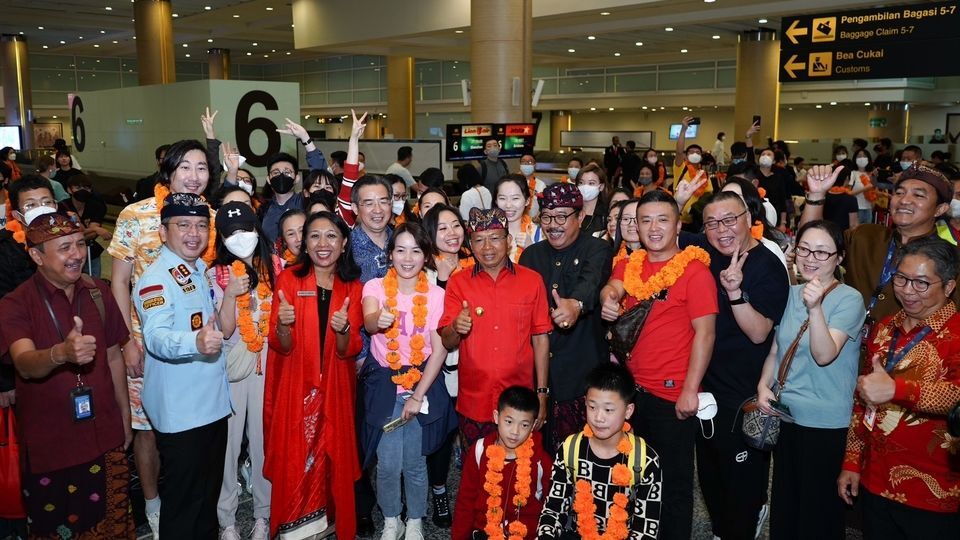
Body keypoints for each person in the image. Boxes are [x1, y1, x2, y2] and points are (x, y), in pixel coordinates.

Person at [0, 213, 135, 538]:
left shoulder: (97, 292)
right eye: (63, 248)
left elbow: (114, 357)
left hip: (105, 436)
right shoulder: (16, 304)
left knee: (114, 525)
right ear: (36, 255)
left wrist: (125, 418)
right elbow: (24, 363)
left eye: (78, 244)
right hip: (52, 448)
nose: (75, 254)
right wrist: (60, 354)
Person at [108, 139, 217, 536]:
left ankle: (191, 504)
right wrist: (126, 342)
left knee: (195, 435)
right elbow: (119, 281)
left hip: (200, 347)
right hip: (146, 343)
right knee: (148, 428)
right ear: (168, 172)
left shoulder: (210, 216)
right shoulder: (136, 216)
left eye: (202, 167)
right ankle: (154, 505)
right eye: (185, 167)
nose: (194, 175)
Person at [675, 179, 790, 540]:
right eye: (712, 223)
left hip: (744, 391)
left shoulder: (768, 265)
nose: (722, 230)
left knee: (740, 476)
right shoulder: (704, 253)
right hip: (706, 384)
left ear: (747, 217)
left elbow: (759, 333)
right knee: (710, 471)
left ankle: (746, 523)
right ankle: (724, 529)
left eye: (729, 220)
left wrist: (735, 292)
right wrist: (677, 201)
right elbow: (664, 234)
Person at [599, 190, 717, 540]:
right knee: (633, 478)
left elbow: (705, 335)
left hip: (671, 396)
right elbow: (613, 286)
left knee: (673, 485)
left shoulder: (694, 272)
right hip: (632, 393)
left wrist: (690, 392)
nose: (653, 228)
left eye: (662, 219)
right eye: (644, 220)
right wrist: (609, 298)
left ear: (678, 225)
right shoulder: (630, 262)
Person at [839, 237, 960, 536]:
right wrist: (852, 462)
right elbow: (862, 398)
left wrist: (896, 390)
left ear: (948, 286)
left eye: (921, 283)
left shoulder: (956, 335)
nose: (907, 291)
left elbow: (956, 395)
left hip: (934, 492)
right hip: (875, 480)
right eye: (901, 279)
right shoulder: (885, 327)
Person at [754, 220, 865, 540]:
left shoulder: (849, 299)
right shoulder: (790, 294)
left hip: (826, 422)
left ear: (839, 258)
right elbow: (776, 350)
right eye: (804, 249)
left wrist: (815, 309)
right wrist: (764, 385)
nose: (811, 258)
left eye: (821, 252)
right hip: (786, 415)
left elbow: (824, 354)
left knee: (817, 514)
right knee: (786, 506)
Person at [133, 193, 232, 539]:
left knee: (206, 500)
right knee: (183, 506)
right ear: (163, 232)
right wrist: (195, 343)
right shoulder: (155, 279)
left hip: (212, 406)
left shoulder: (198, 269)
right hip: (183, 414)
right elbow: (156, 337)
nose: (194, 233)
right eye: (183, 225)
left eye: (201, 225)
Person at [264, 211, 363, 539]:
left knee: (331, 459)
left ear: (344, 242)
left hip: (335, 388)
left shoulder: (352, 286)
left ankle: (327, 522)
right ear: (304, 244)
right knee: (296, 459)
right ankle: (296, 527)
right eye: (315, 236)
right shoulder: (290, 280)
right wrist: (283, 323)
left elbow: (349, 349)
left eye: (332, 236)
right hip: (297, 388)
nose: (323, 243)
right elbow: (281, 345)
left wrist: (345, 328)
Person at [360, 222, 456, 540]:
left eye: (416, 250)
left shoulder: (436, 295)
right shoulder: (374, 288)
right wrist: (379, 319)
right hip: (385, 386)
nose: (407, 257)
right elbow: (370, 321)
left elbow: (439, 349)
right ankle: (392, 519)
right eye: (400, 250)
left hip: (421, 383)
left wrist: (417, 396)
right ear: (390, 255)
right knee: (387, 463)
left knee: (415, 462)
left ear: (426, 256)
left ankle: (415, 519)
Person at [439, 207, 552, 449]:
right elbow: (447, 341)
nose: (487, 247)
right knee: (476, 468)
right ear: (470, 243)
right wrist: (456, 327)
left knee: (519, 474)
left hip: (519, 401)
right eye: (479, 240)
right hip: (474, 400)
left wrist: (542, 393)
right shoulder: (458, 283)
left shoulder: (532, 281)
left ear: (508, 240)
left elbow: (540, 338)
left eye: (494, 238)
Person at [800, 163, 960, 326]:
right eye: (899, 192)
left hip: (906, 349)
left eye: (918, 195)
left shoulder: (951, 259)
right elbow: (811, 244)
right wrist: (816, 194)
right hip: (841, 344)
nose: (904, 200)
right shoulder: (865, 236)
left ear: (940, 209)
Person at [519, 183, 613, 451]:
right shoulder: (530, 256)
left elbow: (591, 282)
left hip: (581, 375)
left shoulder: (597, 249)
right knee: (539, 452)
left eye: (561, 216)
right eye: (547, 216)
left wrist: (576, 304)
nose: (553, 224)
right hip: (539, 374)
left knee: (582, 451)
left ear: (580, 217)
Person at [208, 202, 276, 540]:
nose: (241, 238)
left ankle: (264, 515)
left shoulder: (275, 267)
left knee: (265, 444)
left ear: (258, 229)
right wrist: (231, 295)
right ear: (220, 238)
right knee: (229, 447)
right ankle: (227, 521)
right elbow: (223, 329)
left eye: (246, 229)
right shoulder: (215, 274)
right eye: (231, 233)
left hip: (269, 367)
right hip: (232, 367)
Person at [537, 363, 662, 539]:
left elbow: (646, 530)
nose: (598, 417)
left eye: (609, 409)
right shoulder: (570, 449)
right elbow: (553, 511)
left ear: (628, 411)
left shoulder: (645, 460)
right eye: (592, 406)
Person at [421, 203, 473, 527]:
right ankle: (439, 491)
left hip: (470, 363)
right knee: (440, 433)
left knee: (468, 430)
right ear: (430, 234)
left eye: (456, 225)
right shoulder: (422, 271)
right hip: (435, 366)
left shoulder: (475, 262)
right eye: (443, 228)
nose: (452, 233)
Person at [451, 386, 552, 540]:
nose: (515, 431)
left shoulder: (541, 461)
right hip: (484, 533)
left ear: (533, 426)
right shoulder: (479, 451)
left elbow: (549, 506)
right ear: (496, 417)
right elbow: (465, 502)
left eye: (524, 425)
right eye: (509, 421)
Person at [62, 175, 111, 278]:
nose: (83, 191)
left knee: (93, 281)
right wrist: (97, 229)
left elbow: (91, 235)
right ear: (69, 190)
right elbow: (64, 235)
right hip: (67, 253)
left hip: (91, 251)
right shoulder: (61, 207)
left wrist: (83, 229)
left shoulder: (96, 206)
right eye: (78, 188)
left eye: (86, 188)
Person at [673, 116, 713, 224]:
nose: (695, 154)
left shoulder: (704, 174)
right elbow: (679, 152)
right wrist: (683, 130)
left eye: (698, 152)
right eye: (691, 152)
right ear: (686, 156)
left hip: (698, 219)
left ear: (701, 157)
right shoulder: (680, 167)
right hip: (680, 217)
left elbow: (708, 195)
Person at [494, 174, 542, 262]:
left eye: (515, 198)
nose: (508, 205)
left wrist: (531, 249)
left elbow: (546, 271)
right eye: (502, 198)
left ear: (527, 201)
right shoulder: (487, 234)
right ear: (496, 201)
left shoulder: (539, 235)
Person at [259, 153, 304, 243]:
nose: (281, 176)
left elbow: (320, 177)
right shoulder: (263, 209)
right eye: (276, 173)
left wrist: (306, 141)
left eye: (287, 172)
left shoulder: (305, 202)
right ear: (268, 179)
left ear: (296, 178)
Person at [575, 163, 610, 237]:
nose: (585, 187)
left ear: (601, 187)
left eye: (591, 183)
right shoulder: (571, 209)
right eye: (581, 182)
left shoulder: (606, 213)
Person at [823, 166, 860, 231]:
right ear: (847, 178)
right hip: (843, 236)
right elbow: (853, 225)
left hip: (826, 233)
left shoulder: (824, 196)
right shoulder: (851, 199)